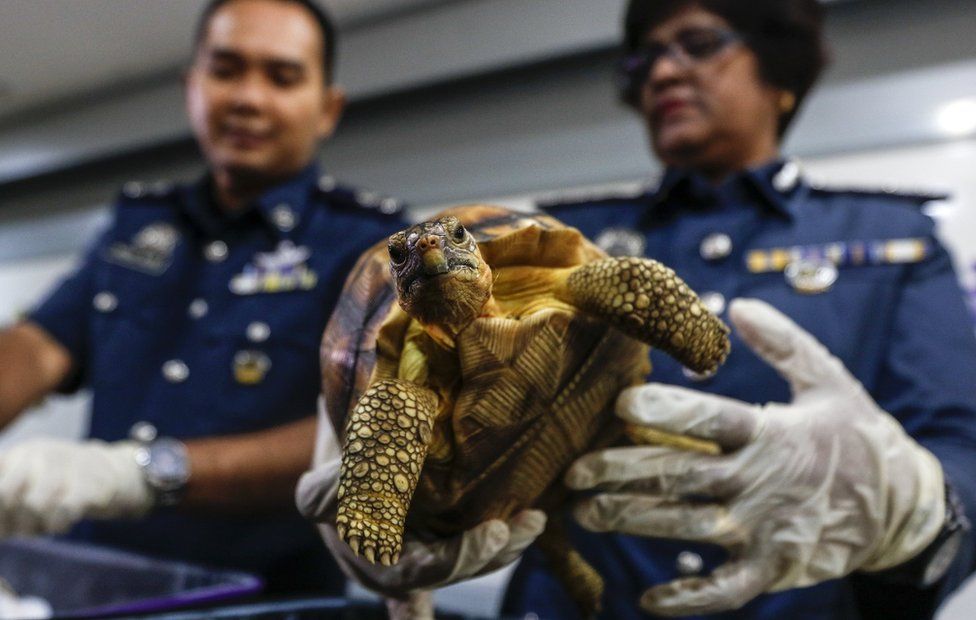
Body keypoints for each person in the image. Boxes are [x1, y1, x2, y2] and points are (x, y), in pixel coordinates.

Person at [298, 0, 976, 618]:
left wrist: (914, 508)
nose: (663, 71)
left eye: (698, 42)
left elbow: (961, 449)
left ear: (779, 70)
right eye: (645, 57)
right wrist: (368, 466)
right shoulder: (576, 230)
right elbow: (408, 347)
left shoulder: (896, 240)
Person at [0, 0, 405, 594]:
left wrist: (134, 475)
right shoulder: (136, 230)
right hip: (95, 583)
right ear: (192, 87)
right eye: (225, 69)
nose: (247, 96)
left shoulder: (367, 247)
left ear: (327, 109)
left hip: (262, 595)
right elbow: (38, 346)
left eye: (282, 76)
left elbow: (366, 432)